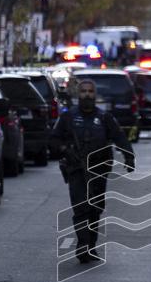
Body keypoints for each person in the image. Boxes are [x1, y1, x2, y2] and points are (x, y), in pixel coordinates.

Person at [52, 79, 135, 263]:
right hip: (76, 169)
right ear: (78, 94)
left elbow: (119, 137)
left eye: (90, 91)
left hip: (99, 169)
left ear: (95, 95)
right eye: (83, 91)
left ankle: (91, 246)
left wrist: (129, 157)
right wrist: (66, 150)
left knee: (95, 208)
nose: (87, 94)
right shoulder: (68, 117)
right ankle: (83, 245)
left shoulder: (104, 117)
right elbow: (54, 139)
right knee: (81, 207)